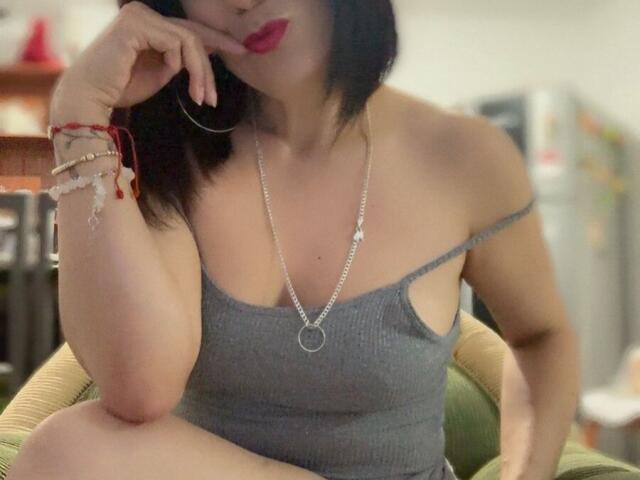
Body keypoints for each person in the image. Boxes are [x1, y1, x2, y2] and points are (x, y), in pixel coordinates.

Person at [7, 1, 579, 480]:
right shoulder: (170, 158)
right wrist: (80, 115)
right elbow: (139, 387)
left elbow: (541, 336)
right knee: (65, 453)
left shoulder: (465, 157)